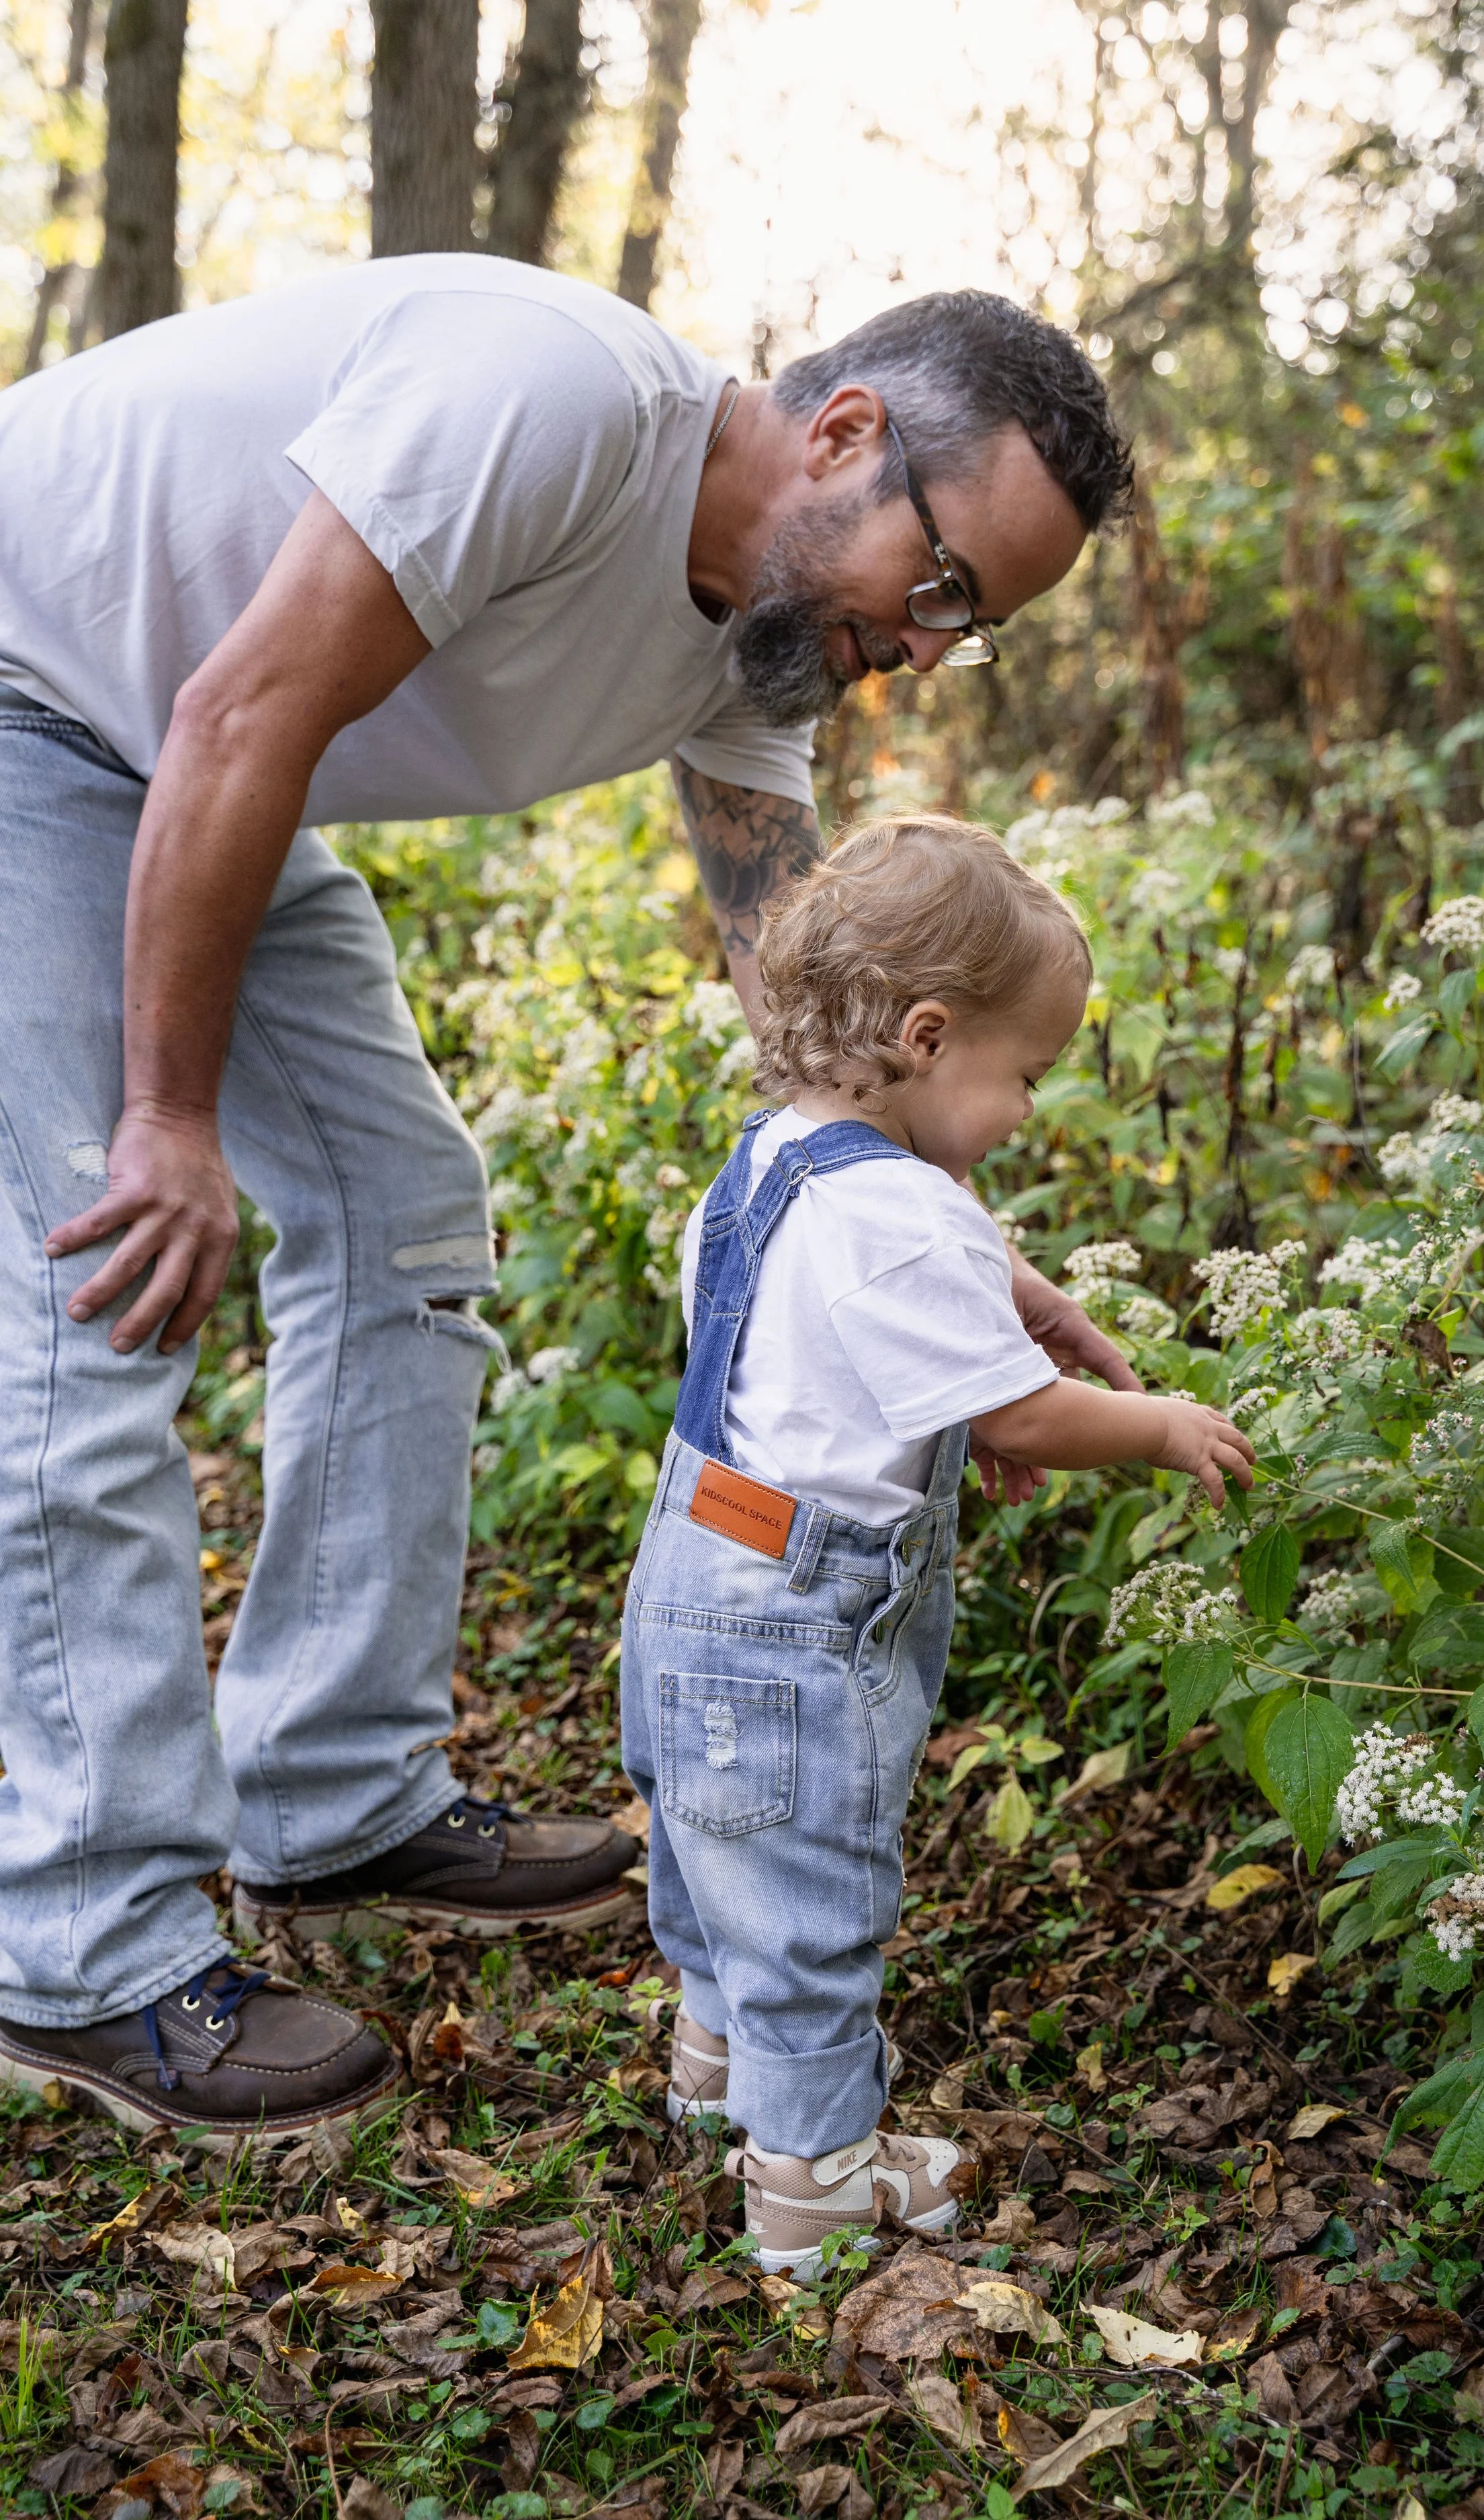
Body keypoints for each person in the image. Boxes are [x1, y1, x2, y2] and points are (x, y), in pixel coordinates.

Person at [0, 263, 1139, 2142]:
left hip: (197, 763)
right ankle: (80, 1944)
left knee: (408, 1217)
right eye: (938, 587)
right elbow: (240, 707)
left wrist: (965, 1267)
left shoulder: (757, 653)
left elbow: (823, 1026)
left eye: (974, 629)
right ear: (843, 435)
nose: (931, 651)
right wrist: (164, 1113)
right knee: (101, 1263)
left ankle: (332, 1790)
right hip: (52, 704)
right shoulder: (543, 400)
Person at [619, 818, 1256, 2273]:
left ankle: (717, 2065)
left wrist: (1011, 1298)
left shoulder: (775, 1154)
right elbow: (1029, 1416)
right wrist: (1146, 1420)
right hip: (794, 1620)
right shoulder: (906, 1225)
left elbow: (863, 1314)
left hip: (693, 1575)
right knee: (808, 1891)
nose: (1028, 1106)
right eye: (1023, 1074)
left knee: (716, 1848)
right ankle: (811, 2183)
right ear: (924, 1034)